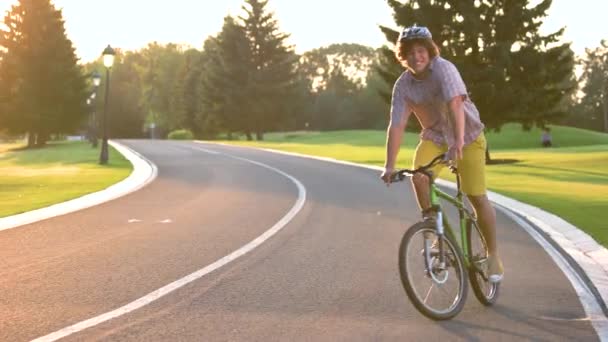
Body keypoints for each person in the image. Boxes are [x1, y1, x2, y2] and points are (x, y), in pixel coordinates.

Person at [379, 24, 503, 283]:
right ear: (403, 56)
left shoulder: (444, 69)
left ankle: (493, 255)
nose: (417, 56)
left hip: (467, 136)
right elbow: (398, 124)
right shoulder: (403, 86)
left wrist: (457, 143)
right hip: (435, 138)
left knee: (477, 197)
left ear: (430, 51)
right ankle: (435, 233)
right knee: (419, 177)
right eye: (410, 52)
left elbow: (455, 104)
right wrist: (389, 165)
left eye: (421, 50)